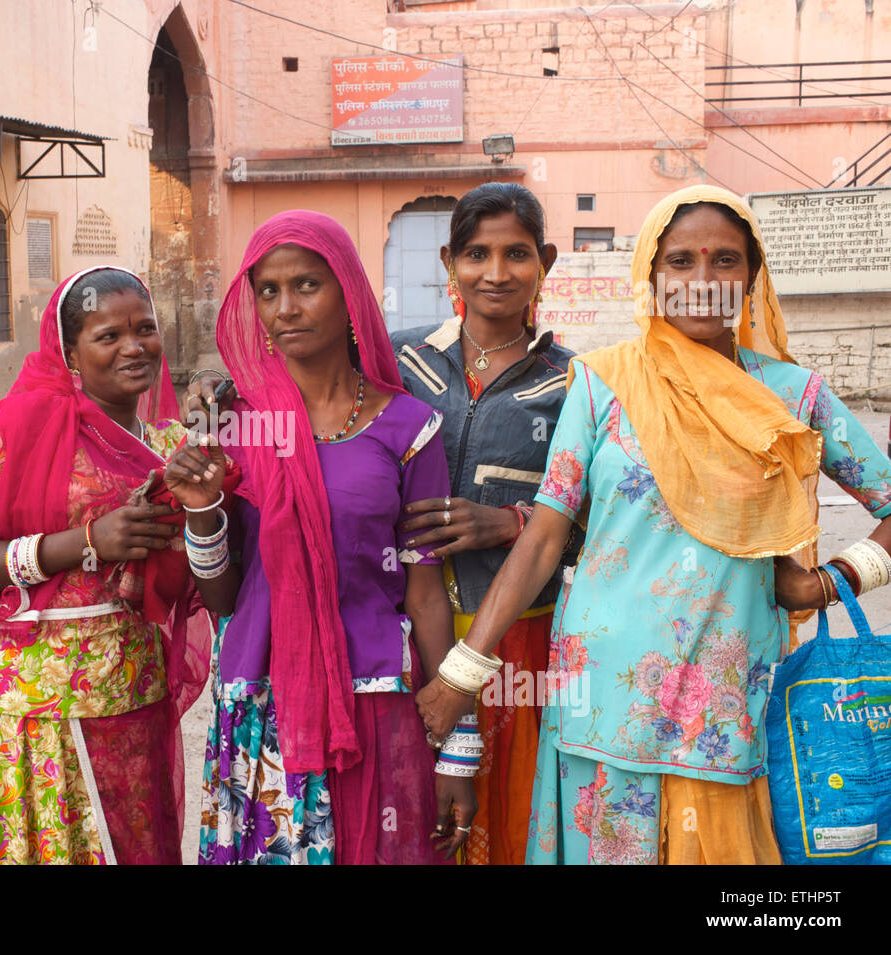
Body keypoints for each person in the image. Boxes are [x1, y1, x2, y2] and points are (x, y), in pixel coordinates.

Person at [415, 184, 891, 864]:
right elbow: (546, 536)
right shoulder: (602, 383)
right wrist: (466, 667)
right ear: (651, 273)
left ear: (752, 276)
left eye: (725, 261)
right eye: (681, 262)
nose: (702, 281)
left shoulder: (792, 395)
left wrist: (834, 579)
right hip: (602, 710)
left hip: (724, 716)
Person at [173, 210, 467, 864]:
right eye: (268, 291)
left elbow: (426, 593)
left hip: (370, 700)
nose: (285, 307)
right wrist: (201, 512)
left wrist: (459, 745)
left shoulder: (409, 428)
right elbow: (223, 598)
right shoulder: (236, 425)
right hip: (262, 706)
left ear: (350, 293)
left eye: (306, 284)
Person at [0, 266, 210, 865]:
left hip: (127, 697)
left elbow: (195, 575)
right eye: (109, 335)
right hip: (17, 708)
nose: (134, 346)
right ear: (70, 352)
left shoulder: (170, 444)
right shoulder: (13, 431)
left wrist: (203, 504)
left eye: (145, 329)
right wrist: (86, 541)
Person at [389, 182, 575, 865]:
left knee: (512, 820)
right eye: (476, 253)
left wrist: (510, 521)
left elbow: (602, 522)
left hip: (520, 642)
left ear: (545, 261)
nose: (496, 273)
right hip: (410, 629)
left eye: (516, 254)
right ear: (450, 261)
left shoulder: (573, 382)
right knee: (415, 818)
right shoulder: (398, 362)